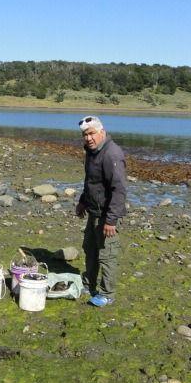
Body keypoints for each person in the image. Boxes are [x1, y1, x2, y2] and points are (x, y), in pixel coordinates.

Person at [75, 115, 127, 307]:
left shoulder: (112, 154)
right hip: (93, 212)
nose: (88, 138)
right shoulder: (91, 152)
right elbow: (91, 182)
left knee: (107, 255)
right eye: (85, 135)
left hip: (107, 215)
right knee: (90, 250)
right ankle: (89, 284)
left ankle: (107, 293)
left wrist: (111, 220)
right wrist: (82, 202)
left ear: (101, 132)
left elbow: (119, 189)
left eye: (91, 134)